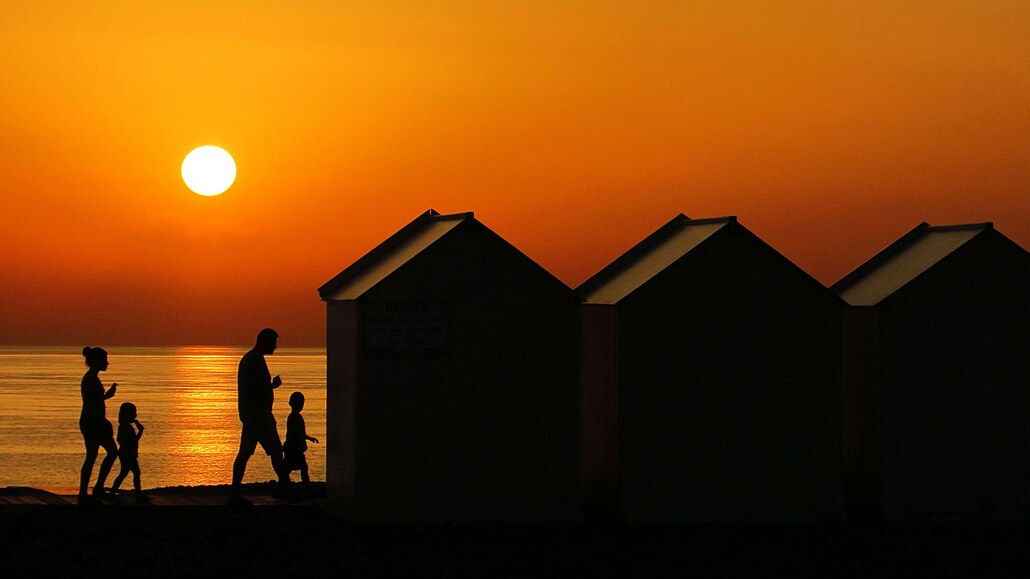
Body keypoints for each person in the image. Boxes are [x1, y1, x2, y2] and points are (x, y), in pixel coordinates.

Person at [229, 328, 289, 505]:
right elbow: (257, 387)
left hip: (250, 414)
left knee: (245, 453)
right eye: (273, 343)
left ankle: (234, 493)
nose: (275, 347)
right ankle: (286, 488)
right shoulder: (255, 360)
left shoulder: (250, 359)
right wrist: (272, 386)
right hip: (258, 415)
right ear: (265, 341)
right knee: (276, 451)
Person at [78, 346, 118, 503]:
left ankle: (96, 488)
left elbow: (95, 400)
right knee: (97, 455)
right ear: (97, 361)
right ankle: (89, 491)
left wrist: (105, 397)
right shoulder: (90, 379)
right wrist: (106, 396)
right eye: (105, 360)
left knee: (103, 454)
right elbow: (92, 402)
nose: (107, 363)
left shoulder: (92, 378)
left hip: (94, 421)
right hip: (92, 422)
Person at [110, 402, 149, 503]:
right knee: (135, 472)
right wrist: (140, 432)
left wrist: (139, 432)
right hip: (127, 454)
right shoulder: (125, 427)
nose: (135, 416)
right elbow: (130, 441)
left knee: (124, 473)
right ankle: (138, 495)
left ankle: (113, 492)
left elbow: (130, 440)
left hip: (126, 453)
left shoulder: (125, 426)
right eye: (133, 414)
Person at [283, 391, 319, 483]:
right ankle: (305, 484)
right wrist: (307, 438)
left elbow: (299, 433)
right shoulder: (294, 417)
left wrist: (309, 438)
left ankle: (284, 483)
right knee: (300, 467)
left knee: (290, 468)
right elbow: (297, 433)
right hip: (293, 448)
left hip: (293, 448)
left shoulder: (295, 417)